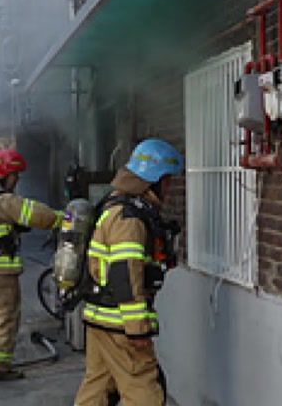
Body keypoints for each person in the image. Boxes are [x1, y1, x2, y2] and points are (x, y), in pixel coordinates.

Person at [74, 139, 183, 406]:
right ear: (154, 180)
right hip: (119, 324)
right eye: (167, 181)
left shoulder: (114, 205)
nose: (169, 188)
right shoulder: (130, 219)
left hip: (99, 318)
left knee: (98, 386)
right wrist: (137, 329)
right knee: (143, 390)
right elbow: (124, 273)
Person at [0, 149, 62, 385]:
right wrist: (64, 218)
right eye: (15, 175)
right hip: (1, 274)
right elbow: (37, 215)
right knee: (5, 318)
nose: (16, 181)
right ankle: (1, 367)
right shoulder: (5, 201)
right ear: (5, 176)